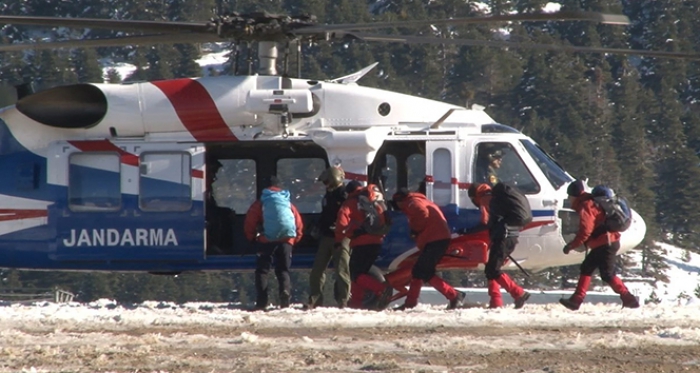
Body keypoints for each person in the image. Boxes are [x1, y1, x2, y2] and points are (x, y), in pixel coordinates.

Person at [559, 180, 640, 310]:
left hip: (606, 243)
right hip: (604, 243)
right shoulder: (588, 203)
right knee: (587, 268)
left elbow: (586, 230)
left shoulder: (586, 205)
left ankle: (629, 298)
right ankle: (576, 300)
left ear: (574, 196)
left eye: (570, 196)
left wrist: (572, 245)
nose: (569, 199)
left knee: (607, 274)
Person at [391, 188, 466, 310]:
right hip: (437, 239)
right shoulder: (420, 200)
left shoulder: (412, 203)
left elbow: (422, 213)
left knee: (422, 271)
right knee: (419, 271)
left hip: (435, 240)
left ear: (400, 200)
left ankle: (454, 295)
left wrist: (415, 231)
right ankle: (410, 302)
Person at [244, 175, 304, 311]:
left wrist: (252, 238)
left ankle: (261, 302)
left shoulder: (261, 202)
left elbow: (250, 221)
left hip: (267, 241)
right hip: (286, 240)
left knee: (262, 271)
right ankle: (285, 297)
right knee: (283, 270)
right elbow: (298, 222)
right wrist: (294, 240)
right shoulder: (287, 202)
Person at [468, 182, 531, 309]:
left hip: (504, 237)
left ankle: (518, 293)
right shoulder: (497, 196)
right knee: (492, 267)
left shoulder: (486, 198)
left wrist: (467, 230)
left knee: (492, 269)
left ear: (475, 196)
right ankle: (496, 301)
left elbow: (487, 222)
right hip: (510, 236)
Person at [336, 180, 392, 310]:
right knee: (361, 272)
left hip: (361, 242)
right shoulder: (371, 198)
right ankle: (356, 303)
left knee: (356, 273)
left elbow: (341, 221)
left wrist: (339, 239)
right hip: (377, 240)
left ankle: (381, 289)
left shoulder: (351, 202)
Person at [305, 167, 351, 309]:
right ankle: (315, 299)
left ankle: (343, 300)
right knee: (317, 270)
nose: (325, 184)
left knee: (342, 270)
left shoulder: (344, 195)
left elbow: (348, 215)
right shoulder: (329, 195)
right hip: (326, 236)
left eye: (326, 181)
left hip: (341, 237)